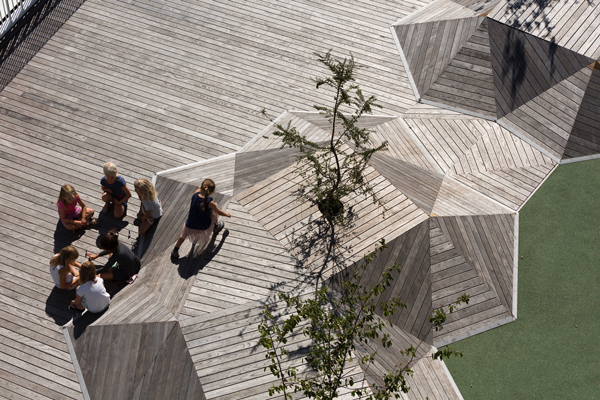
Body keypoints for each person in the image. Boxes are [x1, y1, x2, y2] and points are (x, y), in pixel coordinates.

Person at [171, 178, 231, 261]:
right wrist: (227, 215)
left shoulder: (195, 194)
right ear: (211, 192)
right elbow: (219, 212)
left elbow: (199, 190)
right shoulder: (210, 202)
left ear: (201, 187)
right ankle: (216, 227)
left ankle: (175, 250)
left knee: (182, 236)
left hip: (190, 223)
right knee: (213, 212)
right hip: (203, 225)